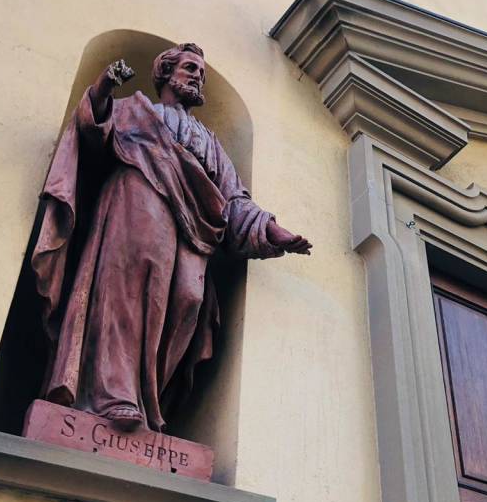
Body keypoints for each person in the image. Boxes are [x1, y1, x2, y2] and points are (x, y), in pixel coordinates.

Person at [32, 43, 311, 432]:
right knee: (126, 291)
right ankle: (113, 395)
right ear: (165, 73)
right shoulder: (136, 110)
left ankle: (149, 400)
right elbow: (93, 133)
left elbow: (232, 198)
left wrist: (270, 230)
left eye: (201, 72)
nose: (198, 76)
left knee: (188, 300)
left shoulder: (209, 140)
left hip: (193, 231)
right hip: (136, 199)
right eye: (190, 68)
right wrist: (103, 88)